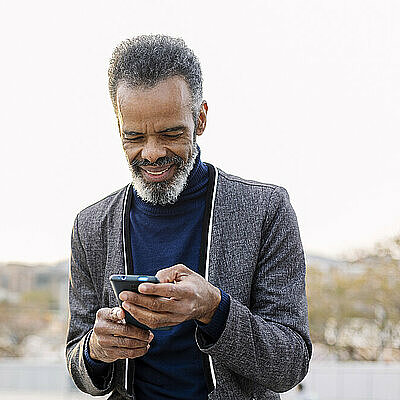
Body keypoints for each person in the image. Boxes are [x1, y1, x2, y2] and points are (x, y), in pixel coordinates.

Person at [66, 34, 312, 400]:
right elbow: (78, 361)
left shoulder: (266, 209)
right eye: (133, 137)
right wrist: (96, 350)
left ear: (200, 118)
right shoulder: (91, 227)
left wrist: (214, 309)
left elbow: (290, 363)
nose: (151, 153)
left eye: (170, 133)